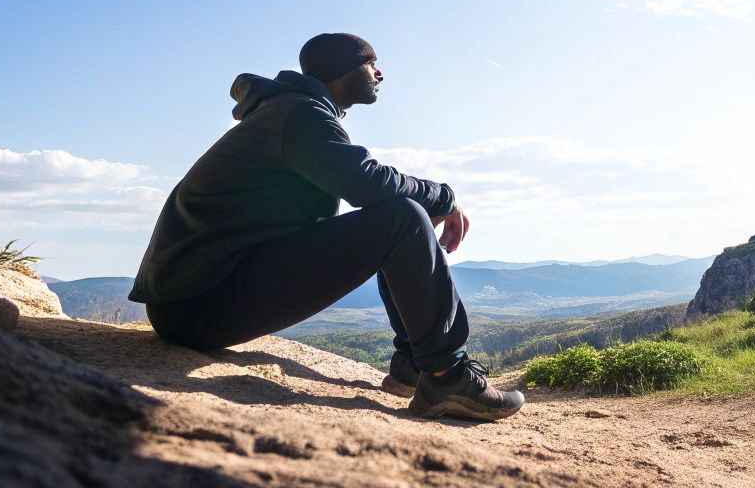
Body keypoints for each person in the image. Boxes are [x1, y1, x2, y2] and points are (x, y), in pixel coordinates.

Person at [129, 32, 523, 421]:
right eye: (371, 63)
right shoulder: (298, 115)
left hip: (193, 298)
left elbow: (369, 187)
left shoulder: (287, 111)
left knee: (398, 216)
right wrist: (443, 196)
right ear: (343, 70)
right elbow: (367, 183)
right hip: (197, 305)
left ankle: (414, 365)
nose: (380, 73)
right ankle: (446, 375)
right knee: (401, 217)